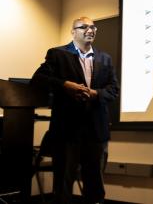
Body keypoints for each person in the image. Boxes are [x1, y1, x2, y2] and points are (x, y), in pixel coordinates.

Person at [32, 16, 119, 204]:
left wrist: (95, 93)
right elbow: (38, 79)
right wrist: (66, 85)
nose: (90, 30)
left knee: (95, 185)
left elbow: (114, 90)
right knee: (63, 184)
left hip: (96, 131)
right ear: (73, 32)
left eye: (93, 27)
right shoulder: (57, 54)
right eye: (84, 27)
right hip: (67, 131)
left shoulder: (104, 58)